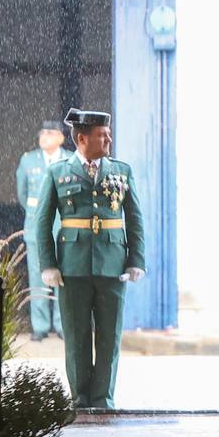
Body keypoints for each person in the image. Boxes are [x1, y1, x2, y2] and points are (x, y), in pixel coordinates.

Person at [33, 108, 146, 409]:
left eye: (108, 134)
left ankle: (103, 398)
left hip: (112, 264)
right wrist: (48, 264)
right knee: (77, 335)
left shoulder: (121, 171)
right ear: (82, 138)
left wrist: (136, 260)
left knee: (109, 337)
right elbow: (42, 221)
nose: (108, 138)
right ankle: (80, 398)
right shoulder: (58, 172)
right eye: (101, 134)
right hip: (72, 265)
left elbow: (134, 218)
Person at [17, 120, 71, 340]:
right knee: (38, 277)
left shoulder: (70, 159)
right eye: (42, 133)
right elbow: (22, 194)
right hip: (35, 227)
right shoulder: (28, 160)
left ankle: (62, 324)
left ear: (61, 137)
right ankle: (39, 326)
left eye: (50, 133)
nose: (44, 137)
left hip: (65, 228)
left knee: (64, 278)